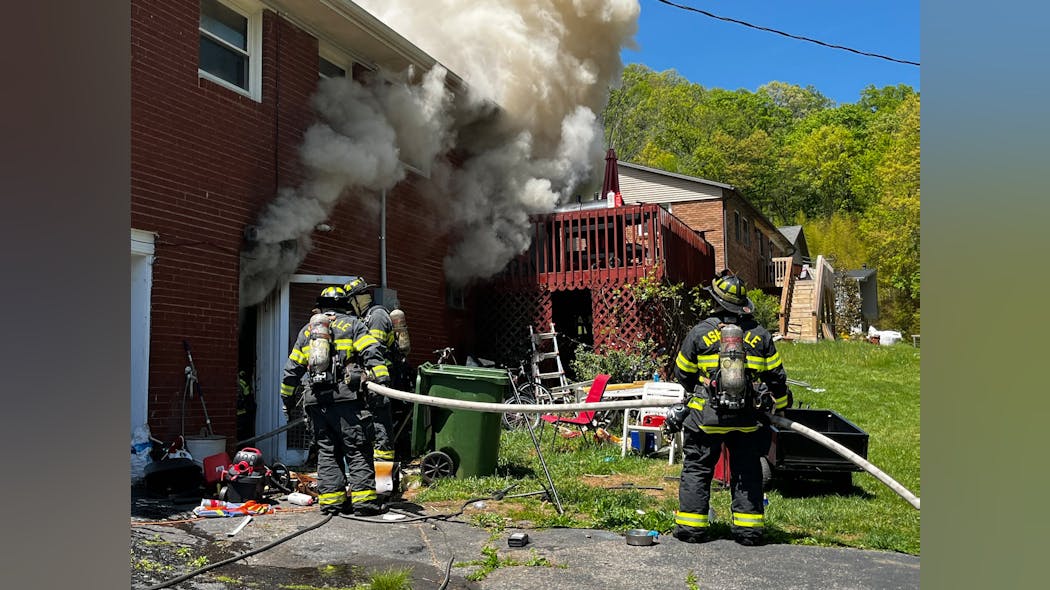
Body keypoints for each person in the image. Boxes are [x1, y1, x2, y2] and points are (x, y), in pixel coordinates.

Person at [668, 271, 791, 546]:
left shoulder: (700, 332)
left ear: (715, 301)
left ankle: (691, 529)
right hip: (747, 419)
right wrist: (781, 408)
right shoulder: (759, 336)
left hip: (705, 417)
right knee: (747, 470)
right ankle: (749, 531)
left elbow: (682, 373)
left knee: (698, 469)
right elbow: (777, 379)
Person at [280, 286, 391, 516]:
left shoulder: (308, 330)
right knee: (357, 449)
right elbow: (372, 352)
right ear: (346, 306)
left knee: (327, 451)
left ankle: (331, 503)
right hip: (347, 400)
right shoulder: (353, 325)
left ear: (321, 308)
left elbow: (292, 370)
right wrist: (382, 380)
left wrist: (286, 399)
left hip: (316, 402)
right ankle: (364, 504)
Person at [343, 277, 398, 462]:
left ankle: (384, 461)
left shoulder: (377, 316)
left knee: (380, 419)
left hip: (380, 377)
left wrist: (375, 377)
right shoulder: (362, 318)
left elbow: (375, 350)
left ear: (359, 298)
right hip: (369, 378)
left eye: (351, 300)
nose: (350, 306)